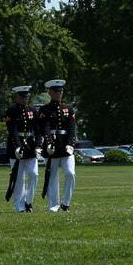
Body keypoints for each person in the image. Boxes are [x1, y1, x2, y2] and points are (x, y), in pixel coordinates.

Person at [38, 79, 77, 212]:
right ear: (50, 92)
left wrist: (70, 144)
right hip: (52, 146)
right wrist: (48, 143)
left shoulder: (68, 109)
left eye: (60, 91)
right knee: (52, 176)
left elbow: (72, 129)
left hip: (66, 146)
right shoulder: (45, 109)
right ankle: (53, 205)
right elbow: (45, 128)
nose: (59, 93)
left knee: (70, 173)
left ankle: (66, 203)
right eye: (56, 91)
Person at [5, 85, 39, 213]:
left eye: (27, 96)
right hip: (16, 146)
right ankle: (19, 205)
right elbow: (12, 130)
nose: (25, 98)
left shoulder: (33, 110)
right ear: (17, 97)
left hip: (30, 146)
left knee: (34, 174)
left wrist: (38, 146)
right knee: (19, 178)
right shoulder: (11, 111)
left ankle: (28, 201)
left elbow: (37, 130)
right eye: (22, 96)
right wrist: (18, 146)